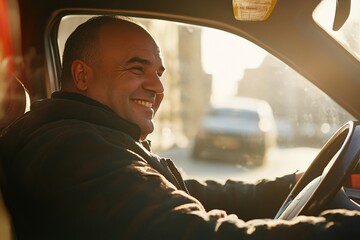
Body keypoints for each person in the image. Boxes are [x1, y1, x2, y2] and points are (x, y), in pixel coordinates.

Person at [0, 16, 359, 240]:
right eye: (136, 68)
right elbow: (196, 234)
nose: (156, 86)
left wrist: (295, 184)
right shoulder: (72, 149)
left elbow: (191, 192)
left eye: (158, 73)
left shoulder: (92, 138)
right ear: (81, 75)